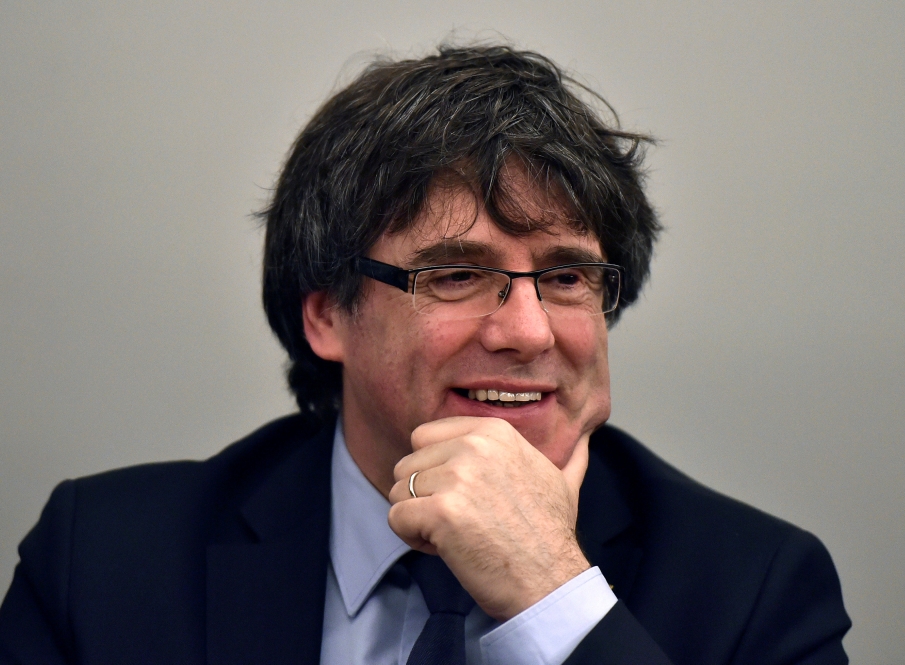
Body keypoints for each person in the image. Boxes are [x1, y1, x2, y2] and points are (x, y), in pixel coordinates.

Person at [0, 44, 851, 665]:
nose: (528, 331)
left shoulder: (755, 585)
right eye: (455, 274)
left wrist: (556, 598)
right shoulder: (105, 561)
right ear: (328, 313)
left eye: (565, 276)